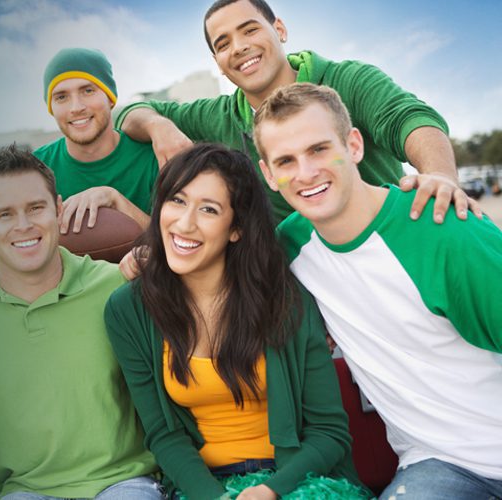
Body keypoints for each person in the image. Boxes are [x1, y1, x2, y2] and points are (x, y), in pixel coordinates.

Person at [254, 82, 502, 499]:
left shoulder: (443, 230)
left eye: (318, 149)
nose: (305, 172)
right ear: (269, 176)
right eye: (285, 160)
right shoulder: (291, 247)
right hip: (437, 465)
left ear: (354, 145)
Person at [104, 143, 365, 500]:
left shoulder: (284, 298)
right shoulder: (129, 310)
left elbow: (329, 431)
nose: (184, 223)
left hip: (295, 481)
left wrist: (271, 492)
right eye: (177, 200)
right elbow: (164, 435)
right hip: (203, 487)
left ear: (236, 228)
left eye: (208, 209)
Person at [115, 0, 479, 224]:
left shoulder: (348, 78)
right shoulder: (217, 115)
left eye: (249, 30)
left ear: (280, 30)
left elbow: (410, 119)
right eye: (223, 43)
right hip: (299, 282)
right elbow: (129, 109)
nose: (239, 47)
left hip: (384, 245)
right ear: (218, 63)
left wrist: (441, 176)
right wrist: (158, 125)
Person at [0, 145, 159, 499]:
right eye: (5, 214)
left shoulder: (114, 285)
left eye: (35, 208)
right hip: (25, 490)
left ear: (58, 208)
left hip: (123, 480)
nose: (23, 225)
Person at [32, 48, 157, 234]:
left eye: (88, 90)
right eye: (61, 97)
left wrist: (116, 200)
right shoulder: (34, 170)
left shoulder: (153, 157)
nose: (76, 107)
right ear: (51, 107)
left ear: (110, 98)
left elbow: (175, 243)